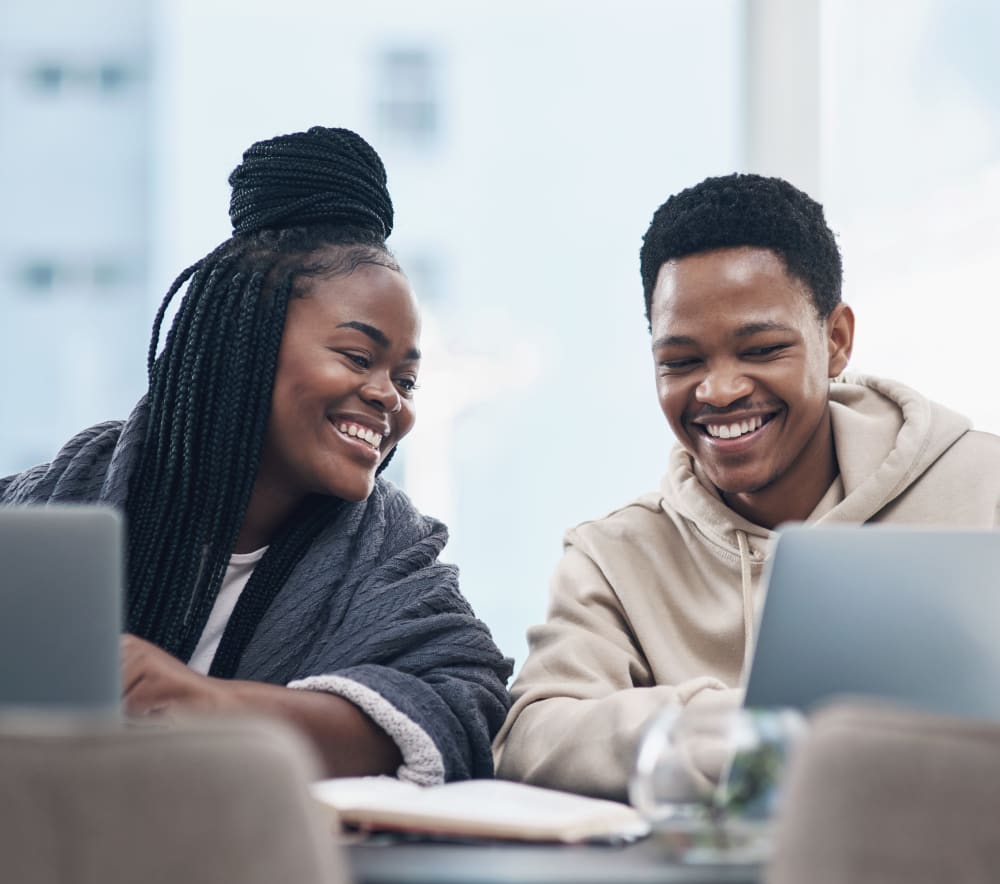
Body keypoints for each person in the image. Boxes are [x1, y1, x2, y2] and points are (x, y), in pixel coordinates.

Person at [1, 125, 511, 784]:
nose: (389, 398)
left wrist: (211, 706)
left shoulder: (395, 558)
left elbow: (461, 699)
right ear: (245, 344)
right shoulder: (55, 505)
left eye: (406, 380)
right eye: (358, 357)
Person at [493, 173, 1000, 801]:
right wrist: (714, 729)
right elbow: (530, 735)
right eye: (681, 362)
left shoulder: (984, 489)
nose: (719, 390)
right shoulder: (615, 555)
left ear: (835, 340)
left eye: (760, 350)